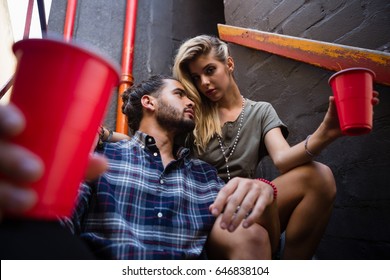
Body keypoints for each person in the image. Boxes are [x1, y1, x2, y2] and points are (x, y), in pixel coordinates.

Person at [0, 75, 278, 259]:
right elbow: (58, 221)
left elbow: (245, 233)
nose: (191, 101)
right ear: (149, 102)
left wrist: (262, 197)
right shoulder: (102, 157)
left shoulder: (205, 175)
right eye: (180, 94)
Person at [171, 35, 379, 259]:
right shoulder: (194, 114)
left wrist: (325, 134)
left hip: (250, 203)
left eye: (210, 70)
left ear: (229, 64)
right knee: (246, 231)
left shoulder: (261, 111)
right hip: (209, 209)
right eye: (196, 77)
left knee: (320, 176)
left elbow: (282, 159)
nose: (204, 83)